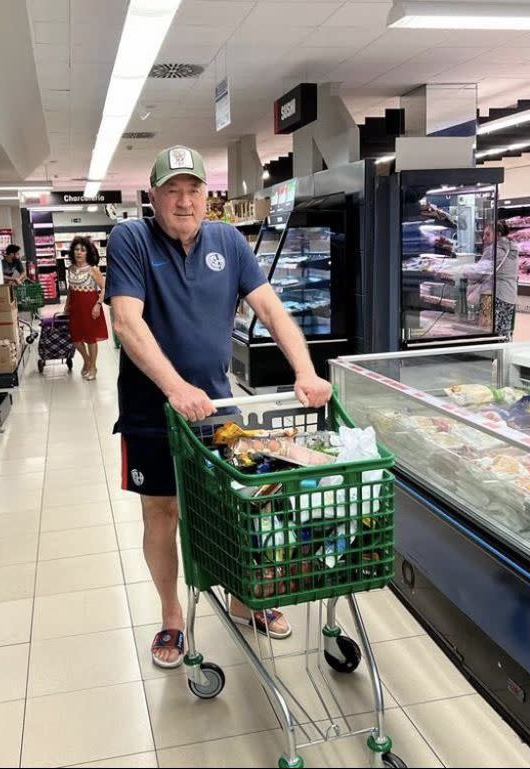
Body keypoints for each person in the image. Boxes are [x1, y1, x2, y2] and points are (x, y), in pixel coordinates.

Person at [107, 145, 332, 668]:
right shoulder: (131, 239)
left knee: (231, 509)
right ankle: (171, 616)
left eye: (194, 190)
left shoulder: (229, 241)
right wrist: (174, 387)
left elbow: (272, 310)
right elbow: (126, 322)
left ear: (207, 196)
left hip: (218, 411)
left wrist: (305, 369)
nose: (184, 202)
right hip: (152, 411)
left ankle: (241, 598)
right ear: (153, 195)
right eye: (172, 190)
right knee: (162, 514)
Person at [466, 220, 519, 341]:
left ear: (498, 234)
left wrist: (461, 270)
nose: (484, 238)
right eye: (483, 234)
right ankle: (504, 356)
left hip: (492, 295)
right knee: (504, 331)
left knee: (488, 330)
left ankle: (491, 356)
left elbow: (478, 272)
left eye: (487, 234)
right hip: (510, 295)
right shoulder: (512, 249)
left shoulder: (494, 250)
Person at [64, 236, 108, 380]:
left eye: (82, 250)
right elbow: (70, 289)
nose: (79, 252)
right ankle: (87, 361)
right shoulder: (70, 269)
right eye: (76, 249)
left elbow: (104, 288)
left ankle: (93, 367)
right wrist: (66, 306)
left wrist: (98, 304)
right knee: (76, 338)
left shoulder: (92, 269)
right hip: (75, 308)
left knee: (90, 338)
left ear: (87, 253)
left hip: (90, 307)